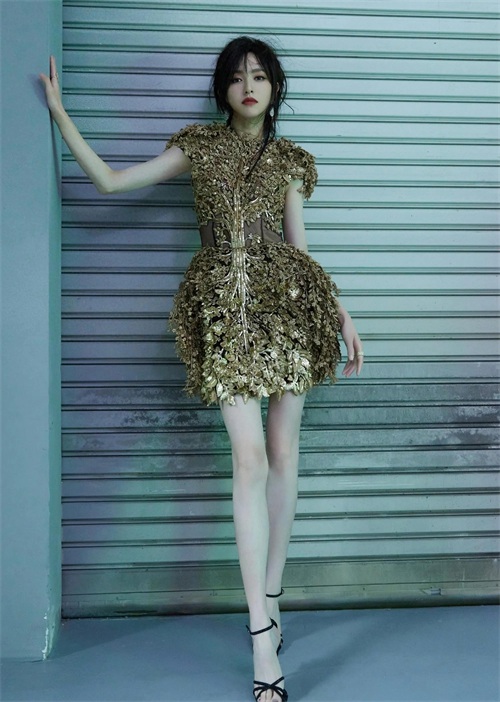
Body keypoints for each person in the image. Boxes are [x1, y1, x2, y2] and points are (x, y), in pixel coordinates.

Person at [40, 36, 364, 702]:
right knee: (250, 459)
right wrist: (61, 114)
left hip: (292, 307)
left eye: (260, 76)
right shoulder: (197, 146)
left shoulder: (290, 161)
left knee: (284, 455)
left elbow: (301, 250)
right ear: (223, 89)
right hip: (222, 308)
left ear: (274, 88)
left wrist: (340, 314)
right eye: (238, 77)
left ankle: (273, 600)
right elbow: (111, 181)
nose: (249, 86)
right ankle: (260, 638)